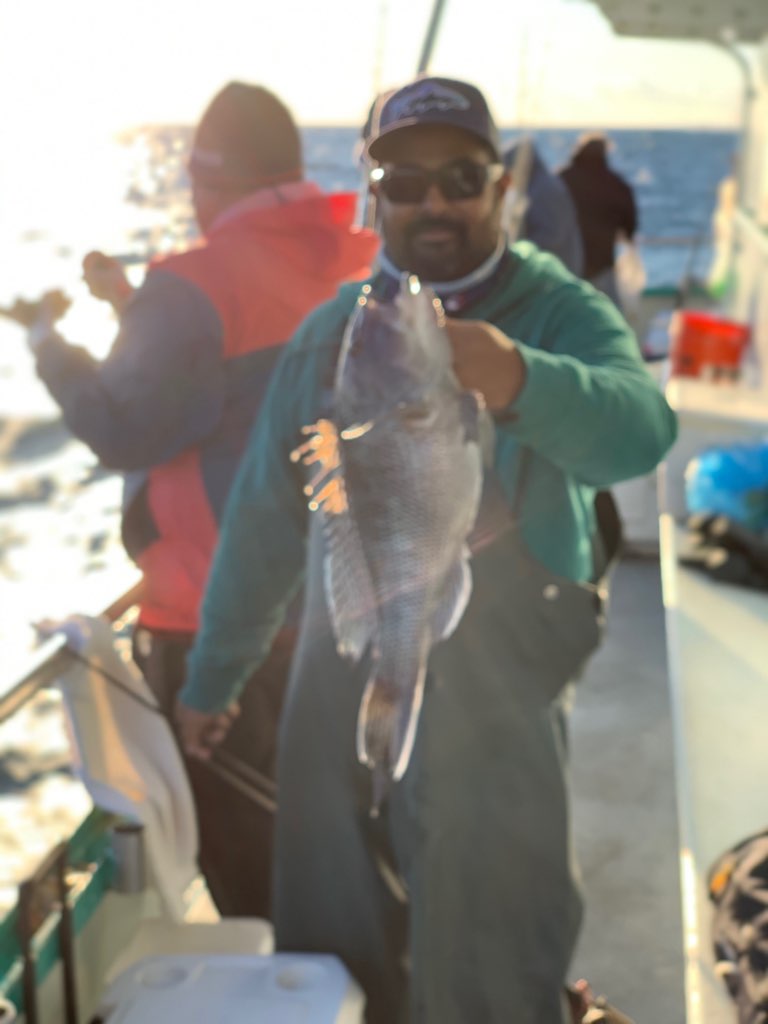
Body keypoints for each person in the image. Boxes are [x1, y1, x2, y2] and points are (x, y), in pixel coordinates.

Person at [177, 75, 677, 1022]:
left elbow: (642, 432)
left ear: (499, 187)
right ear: (374, 194)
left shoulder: (559, 310)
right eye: (405, 182)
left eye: (460, 175)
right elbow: (262, 522)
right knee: (331, 911)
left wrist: (518, 374)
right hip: (351, 652)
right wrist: (214, 679)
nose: (435, 201)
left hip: (510, 672)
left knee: (497, 927)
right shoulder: (334, 334)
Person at [18, 81, 378, 918]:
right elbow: (234, 381)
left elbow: (124, 425)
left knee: (253, 872)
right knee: (340, 843)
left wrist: (47, 340)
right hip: (339, 612)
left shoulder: (194, 284)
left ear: (208, 177)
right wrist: (133, 308)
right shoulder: (351, 261)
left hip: (220, 628)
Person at [558, 132, 639, 306]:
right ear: (605, 152)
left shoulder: (561, 179)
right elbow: (630, 226)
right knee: (609, 315)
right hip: (602, 263)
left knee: (568, 315)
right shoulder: (616, 185)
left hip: (566, 264)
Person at [503, 138, 584, 275]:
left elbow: (552, 234)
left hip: (559, 272)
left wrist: (516, 252)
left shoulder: (545, 189)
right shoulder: (537, 186)